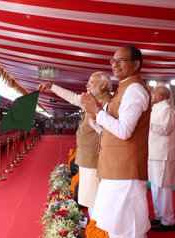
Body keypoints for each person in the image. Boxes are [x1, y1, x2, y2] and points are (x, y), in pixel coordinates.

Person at [80, 45, 151, 238]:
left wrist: (98, 111)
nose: (114, 64)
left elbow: (125, 131)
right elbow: (109, 131)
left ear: (136, 64)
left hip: (125, 170)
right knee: (114, 225)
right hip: (114, 168)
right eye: (113, 60)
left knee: (126, 228)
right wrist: (94, 115)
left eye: (121, 60)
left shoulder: (135, 90)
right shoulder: (123, 89)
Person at [37, 71, 112, 217]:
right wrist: (51, 86)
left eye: (91, 82)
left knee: (94, 196)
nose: (87, 85)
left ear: (103, 85)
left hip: (95, 157)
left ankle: (98, 227)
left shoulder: (108, 103)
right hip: (88, 156)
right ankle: (95, 224)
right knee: (90, 195)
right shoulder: (93, 100)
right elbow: (72, 97)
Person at [148, 83, 175, 231]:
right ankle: (159, 216)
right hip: (154, 154)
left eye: (154, 93)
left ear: (163, 96)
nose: (151, 95)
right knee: (155, 187)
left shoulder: (168, 110)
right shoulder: (155, 109)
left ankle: (168, 220)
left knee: (163, 188)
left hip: (163, 155)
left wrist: (148, 123)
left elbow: (165, 129)